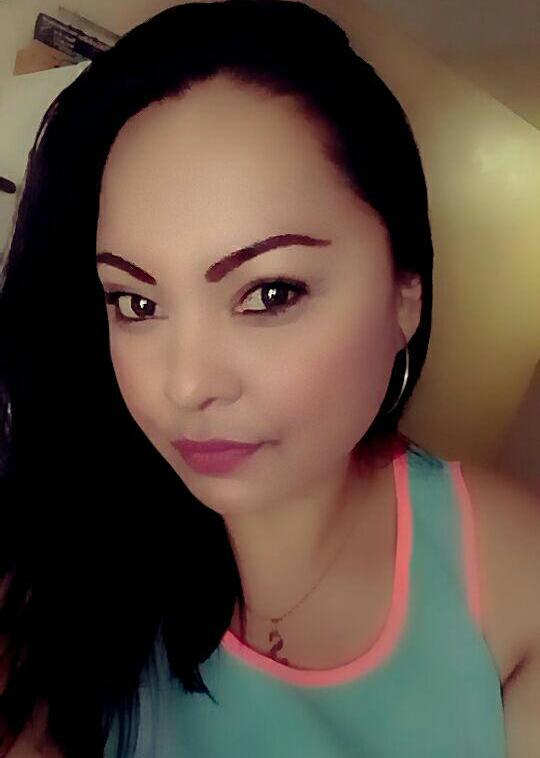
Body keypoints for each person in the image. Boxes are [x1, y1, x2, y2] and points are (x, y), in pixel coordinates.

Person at [0, 1, 539, 756]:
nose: (186, 386)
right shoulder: (63, 539)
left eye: (270, 292)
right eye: (136, 302)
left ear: (404, 296)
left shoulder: (514, 581)